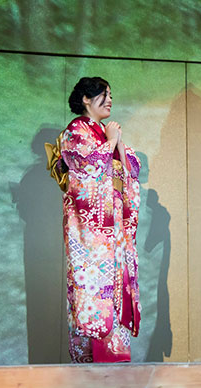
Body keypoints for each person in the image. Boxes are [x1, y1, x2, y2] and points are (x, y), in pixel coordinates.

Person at [60, 76, 141, 362]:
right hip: (91, 233)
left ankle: (116, 359)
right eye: (104, 94)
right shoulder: (76, 131)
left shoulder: (104, 132)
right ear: (86, 99)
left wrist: (115, 143)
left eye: (111, 95)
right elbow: (85, 168)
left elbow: (131, 169)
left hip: (113, 229)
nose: (110, 100)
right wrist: (111, 142)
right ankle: (90, 362)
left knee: (117, 289)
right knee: (93, 291)